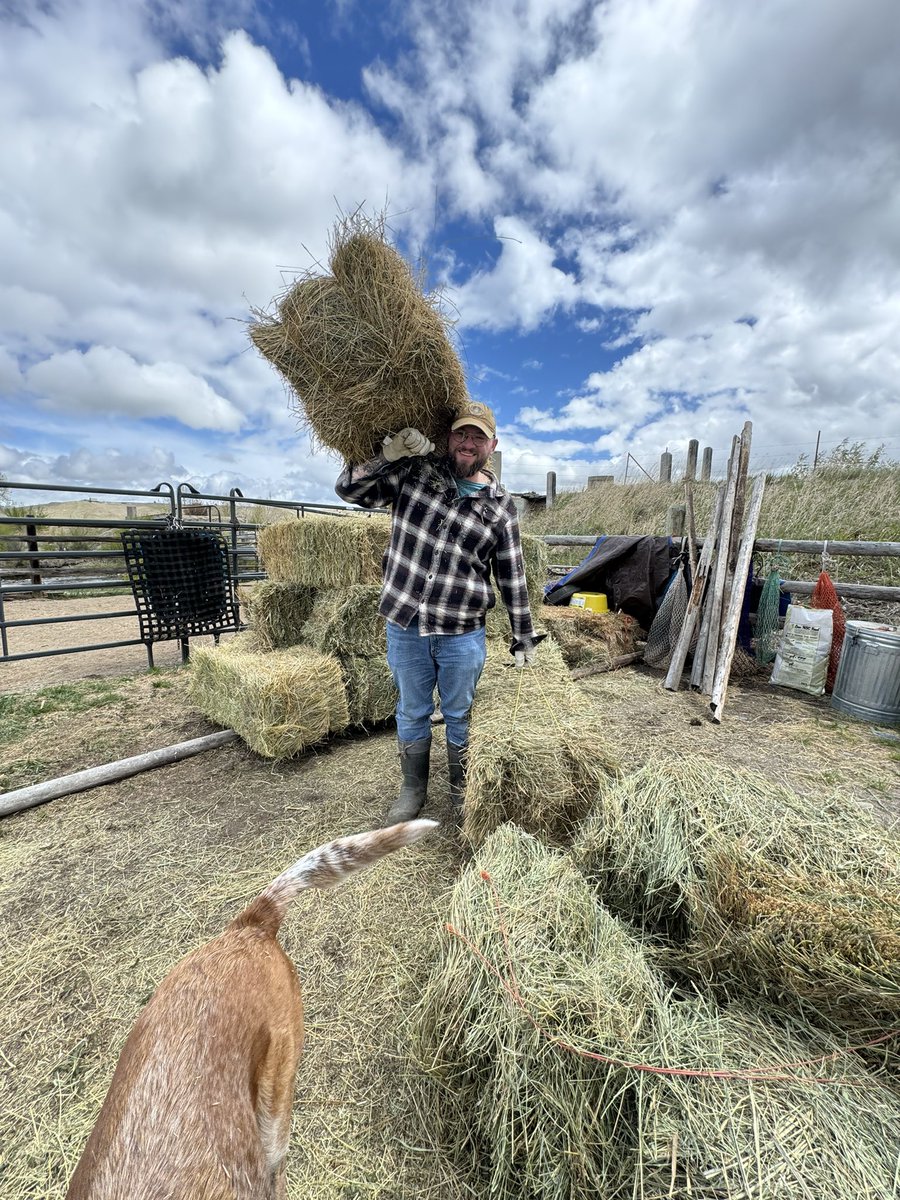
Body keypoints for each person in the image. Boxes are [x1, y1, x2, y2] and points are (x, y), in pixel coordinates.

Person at [335, 400, 543, 824]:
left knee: (458, 714)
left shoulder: (501, 506)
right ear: (449, 438)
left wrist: (523, 635)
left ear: (493, 445)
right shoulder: (416, 473)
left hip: (462, 631)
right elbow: (351, 491)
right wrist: (387, 456)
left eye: (478, 437)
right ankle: (412, 790)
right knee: (411, 709)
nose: (468, 443)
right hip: (406, 622)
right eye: (461, 434)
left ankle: (459, 790)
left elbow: (512, 574)